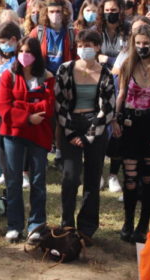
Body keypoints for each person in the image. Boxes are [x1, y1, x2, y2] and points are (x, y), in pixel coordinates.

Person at [53, 29, 115, 240]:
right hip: (70, 123)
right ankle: (67, 225)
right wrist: (70, 133)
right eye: (80, 45)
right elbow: (59, 103)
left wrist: (89, 135)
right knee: (70, 177)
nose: (84, 49)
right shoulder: (65, 69)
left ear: (97, 47)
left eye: (89, 45)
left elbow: (108, 108)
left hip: (95, 127)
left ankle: (87, 228)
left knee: (92, 179)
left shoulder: (106, 73)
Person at [0, 32, 55, 244]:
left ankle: (36, 225)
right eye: (21, 51)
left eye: (28, 51)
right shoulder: (8, 76)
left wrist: (20, 106)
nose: (24, 55)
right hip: (13, 133)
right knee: (13, 180)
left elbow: (47, 106)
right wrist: (28, 115)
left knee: (38, 180)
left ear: (36, 54)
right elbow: (2, 105)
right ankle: (14, 225)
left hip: (38, 135)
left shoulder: (46, 77)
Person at [113, 24, 150, 243]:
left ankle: (142, 224)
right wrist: (115, 119)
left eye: (146, 44)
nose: (141, 48)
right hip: (130, 124)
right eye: (138, 44)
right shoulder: (128, 65)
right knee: (130, 177)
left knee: (148, 178)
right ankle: (128, 222)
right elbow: (121, 94)